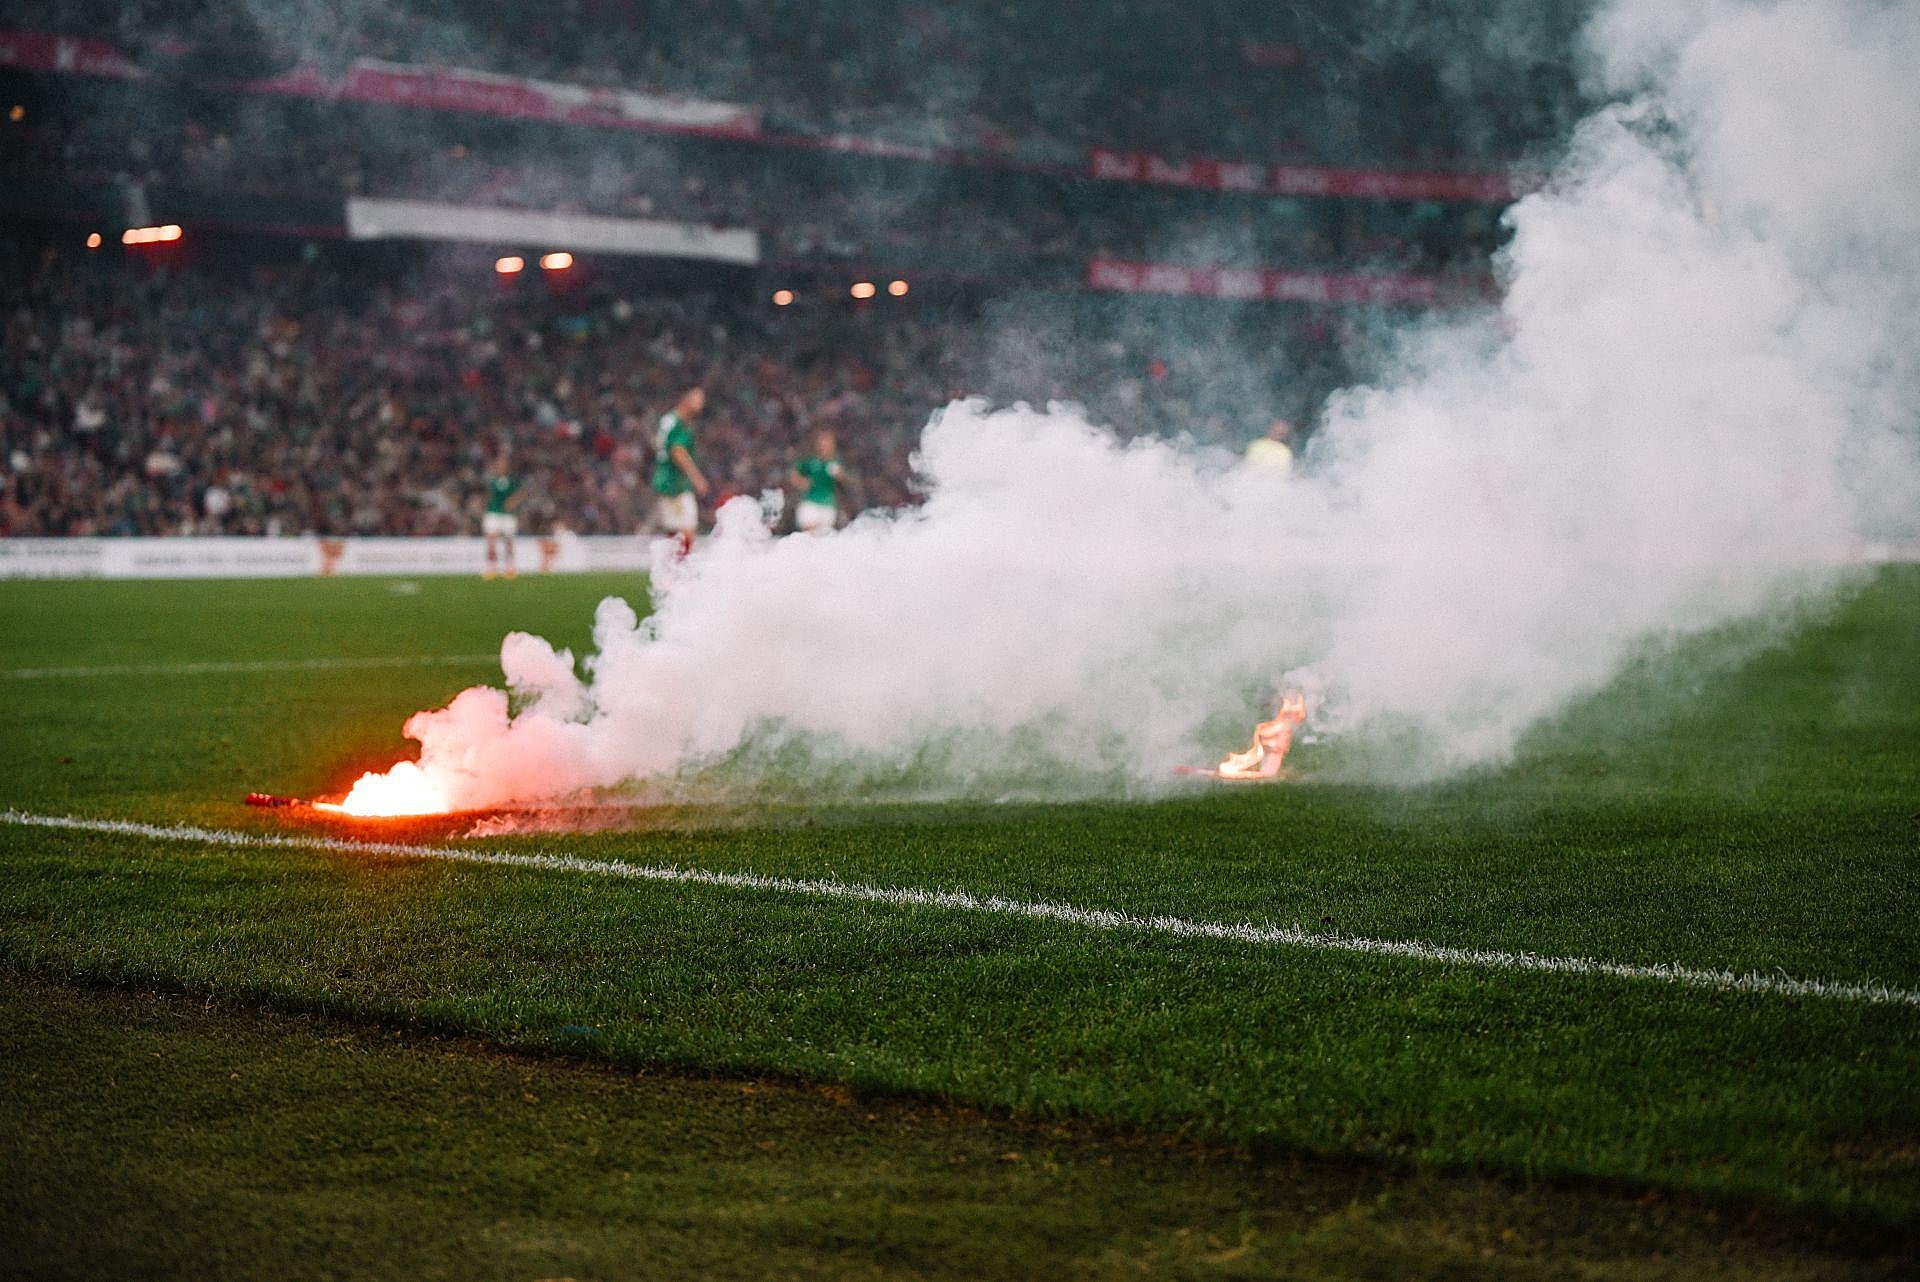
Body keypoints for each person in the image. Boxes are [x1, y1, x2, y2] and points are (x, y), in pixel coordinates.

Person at [651, 387, 710, 555]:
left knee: (673, 531)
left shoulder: (668, 420)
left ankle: (670, 572)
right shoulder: (679, 424)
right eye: (697, 399)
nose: (701, 404)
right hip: (674, 483)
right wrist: (697, 477)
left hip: (664, 479)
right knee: (686, 530)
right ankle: (678, 573)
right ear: (686, 399)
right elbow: (677, 451)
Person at [789, 428, 846, 534]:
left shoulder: (836, 462)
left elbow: (846, 479)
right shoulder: (810, 461)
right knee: (809, 534)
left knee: (823, 537)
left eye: (828, 443)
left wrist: (840, 475)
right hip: (810, 502)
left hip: (828, 505)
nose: (825, 446)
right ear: (817, 444)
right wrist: (800, 482)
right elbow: (794, 473)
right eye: (823, 442)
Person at [480, 453, 523, 580]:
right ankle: (491, 568)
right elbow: (487, 495)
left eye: (503, 465)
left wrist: (512, 502)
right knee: (491, 541)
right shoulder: (492, 481)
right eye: (499, 464)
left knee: (508, 542)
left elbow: (520, 494)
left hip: (508, 515)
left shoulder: (512, 481)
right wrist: (485, 505)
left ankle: (509, 567)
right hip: (493, 513)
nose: (501, 467)